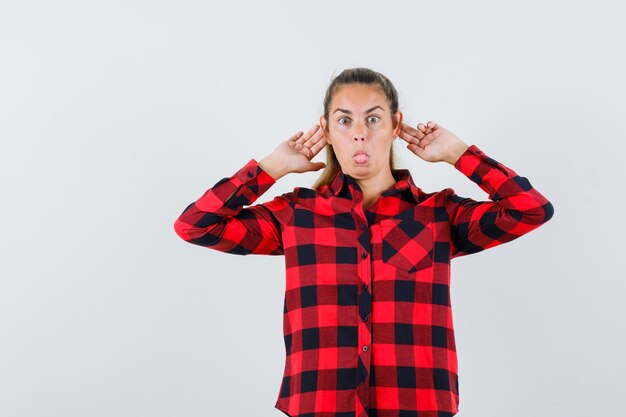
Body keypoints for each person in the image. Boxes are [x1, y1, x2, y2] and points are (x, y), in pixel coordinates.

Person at [173, 67, 554, 417]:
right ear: (326, 130)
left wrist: (459, 155)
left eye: (373, 118)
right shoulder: (296, 215)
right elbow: (195, 225)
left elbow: (531, 210)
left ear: (395, 125)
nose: (359, 133)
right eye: (344, 120)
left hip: (417, 406)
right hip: (319, 406)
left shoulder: (439, 214)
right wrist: (270, 168)